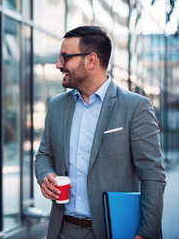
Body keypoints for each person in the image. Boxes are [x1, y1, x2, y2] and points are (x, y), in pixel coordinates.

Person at [35, 26, 166, 239]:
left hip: (114, 230)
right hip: (63, 230)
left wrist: (146, 233)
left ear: (91, 60)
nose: (59, 65)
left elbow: (153, 175)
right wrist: (44, 175)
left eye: (65, 57)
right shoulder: (56, 106)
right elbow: (44, 156)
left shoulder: (135, 107)